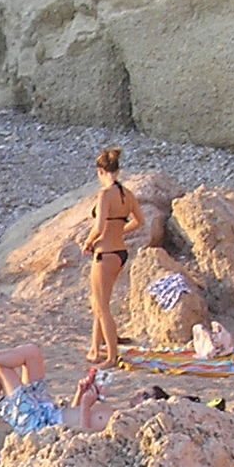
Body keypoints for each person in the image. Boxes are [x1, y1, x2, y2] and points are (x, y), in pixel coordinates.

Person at [0, 337, 110, 436]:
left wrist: (87, 405)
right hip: (50, 412)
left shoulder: (123, 426)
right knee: (32, 351)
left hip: (41, 427)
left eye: (139, 397)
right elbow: (74, 415)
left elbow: (83, 441)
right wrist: (81, 393)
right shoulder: (118, 413)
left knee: (0, 371)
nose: (138, 396)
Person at [83, 148, 139, 366]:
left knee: (102, 307)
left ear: (100, 171)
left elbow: (98, 226)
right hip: (120, 252)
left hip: (104, 253)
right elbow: (138, 221)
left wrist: (88, 242)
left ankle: (111, 356)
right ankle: (94, 350)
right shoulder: (127, 194)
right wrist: (119, 231)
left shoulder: (105, 195)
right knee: (100, 303)